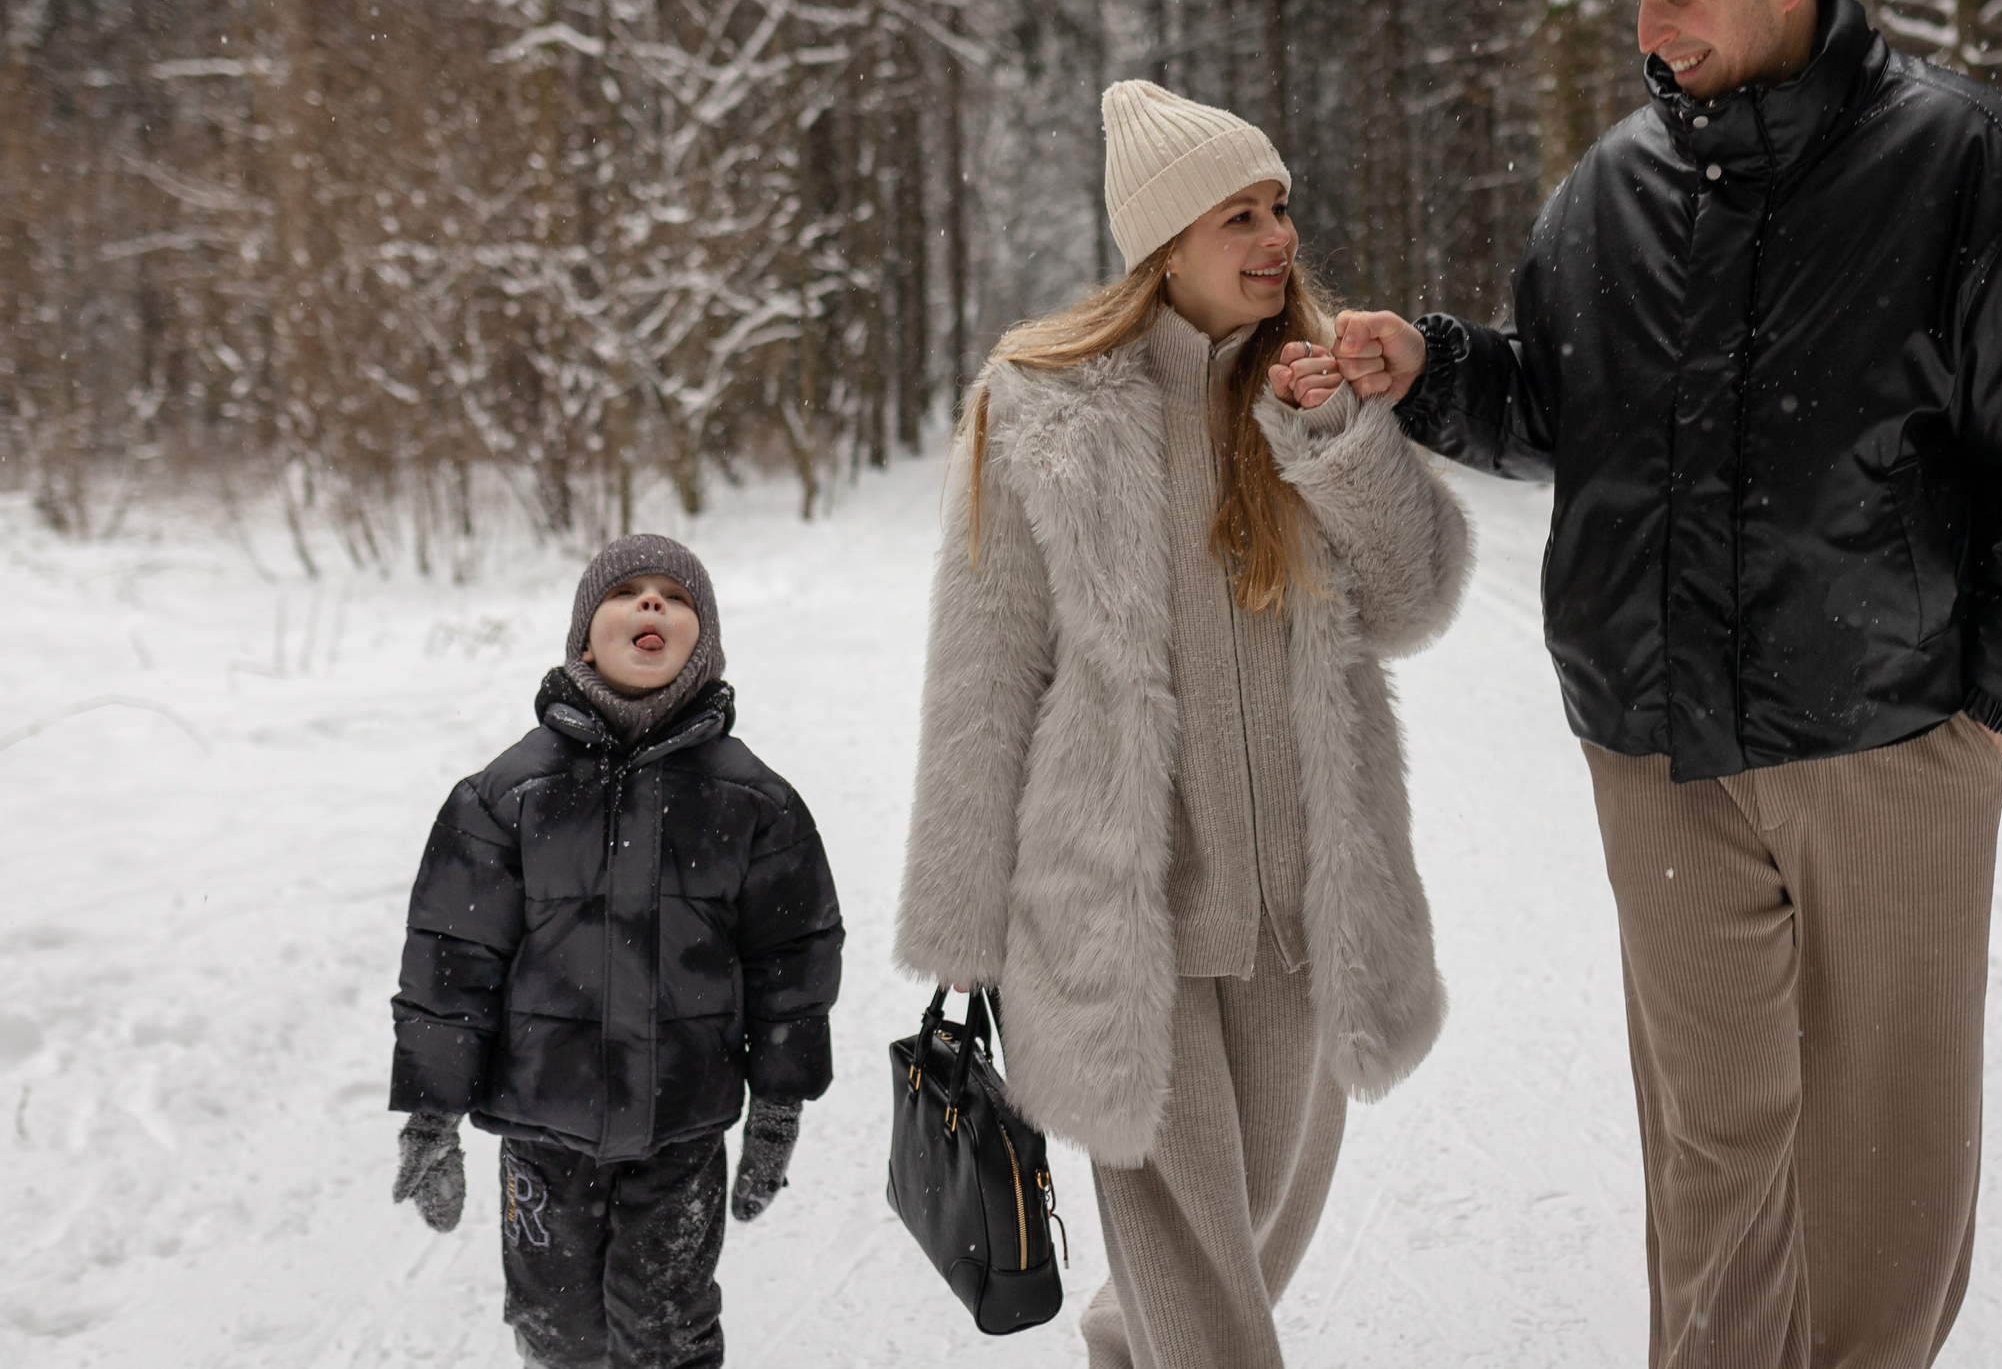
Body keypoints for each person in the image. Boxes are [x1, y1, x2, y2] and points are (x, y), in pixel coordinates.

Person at [1321, 0, 2002, 1368]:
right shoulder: (1610, 191)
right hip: (1655, 748)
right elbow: (1569, 408)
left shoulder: (1964, 162)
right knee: (1708, 1144)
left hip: (1889, 738)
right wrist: (1438, 370)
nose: (1652, 28)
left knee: (1884, 1149)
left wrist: (1996, 707)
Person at [896, 80, 1473, 1369]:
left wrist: (1333, 435)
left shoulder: (1313, 382)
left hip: (1304, 902)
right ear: (1164, 242)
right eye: (1238, 216)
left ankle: (1129, 1341)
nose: (1278, 237)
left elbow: (1416, 596)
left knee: (1251, 1226)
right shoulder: (1042, 403)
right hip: (1120, 909)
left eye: (1279, 206)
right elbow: (981, 675)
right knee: (1201, 1270)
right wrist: (962, 918)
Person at [386, 535, 844, 1369]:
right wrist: (432, 1113)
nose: (651, 603)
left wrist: (780, 1103)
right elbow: (452, 959)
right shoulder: (505, 796)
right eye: (626, 591)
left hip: (682, 1129)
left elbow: (792, 961)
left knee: (668, 1331)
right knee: (556, 1329)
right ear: (584, 639)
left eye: (676, 596)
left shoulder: (755, 802)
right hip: (542, 1127)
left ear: (703, 643)